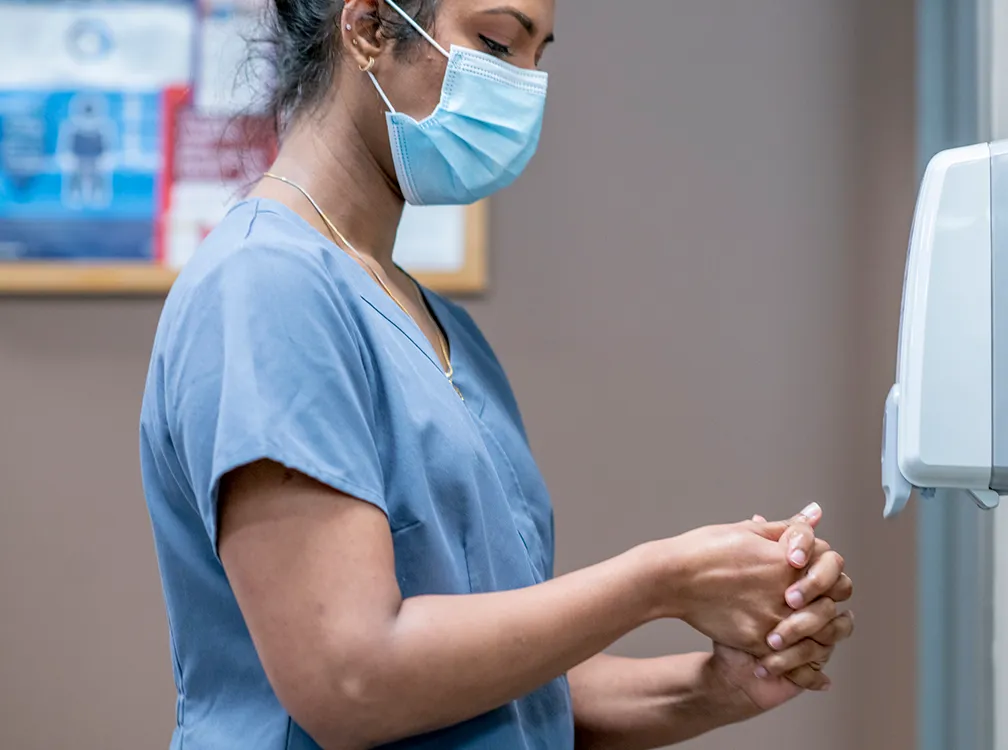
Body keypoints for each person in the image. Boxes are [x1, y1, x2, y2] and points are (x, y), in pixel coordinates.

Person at [138, 1, 856, 748]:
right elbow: (352, 678)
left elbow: (507, 685)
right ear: (369, 29)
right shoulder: (265, 287)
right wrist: (662, 581)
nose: (523, 85)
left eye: (537, 56)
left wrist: (718, 686)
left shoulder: (438, 327)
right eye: (496, 43)